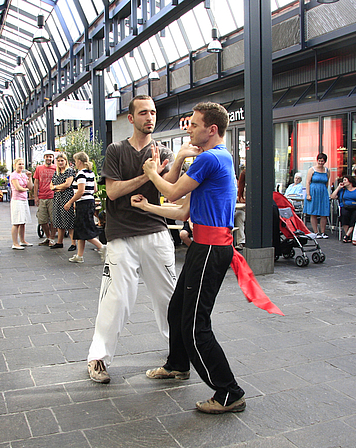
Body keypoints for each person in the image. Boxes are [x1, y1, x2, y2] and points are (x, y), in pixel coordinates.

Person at [139, 102, 249, 414]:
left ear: (212, 130)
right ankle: (177, 364)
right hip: (205, 246)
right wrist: (146, 207)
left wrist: (151, 172)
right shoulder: (216, 158)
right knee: (177, 310)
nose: (189, 129)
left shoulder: (211, 158)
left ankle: (229, 392)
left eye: (195, 124)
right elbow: (183, 210)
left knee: (194, 325)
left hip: (210, 249)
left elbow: (171, 193)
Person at [86, 95, 178, 385]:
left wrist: (170, 168)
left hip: (156, 231)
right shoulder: (116, 150)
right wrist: (147, 175)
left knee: (169, 297)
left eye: (152, 112)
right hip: (121, 235)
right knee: (116, 299)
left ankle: (179, 355)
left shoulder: (165, 152)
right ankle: (98, 357)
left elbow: (173, 190)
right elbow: (112, 192)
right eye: (143, 113)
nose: (149, 117)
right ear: (131, 118)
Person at [63, 152, 106, 263]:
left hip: (83, 204)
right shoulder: (90, 173)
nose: (75, 163)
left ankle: (102, 248)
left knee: (84, 230)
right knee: (80, 229)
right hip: (89, 202)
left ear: (79, 161)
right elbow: (95, 189)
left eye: (76, 161)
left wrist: (70, 201)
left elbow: (81, 191)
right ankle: (79, 255)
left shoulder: (81, 174)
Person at [50, 152, 77, 250]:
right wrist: (57, 188)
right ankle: (59, 242)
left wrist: (56, 187)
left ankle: (73, 243)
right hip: (57, 198)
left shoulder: (69, 171)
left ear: (66, 161)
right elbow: (51, 185)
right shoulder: (56, 172)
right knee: (58, 220)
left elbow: (67, 184)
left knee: (68, 220)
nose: (60, 162)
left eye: (62, 160)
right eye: (58, 161)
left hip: (67, 198)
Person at [330, 175, 356, 242]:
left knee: (355, 216)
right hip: (345, 207)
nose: (343, 182)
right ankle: (348, 235)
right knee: (344, 214)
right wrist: (338, 187)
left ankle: (347, 235)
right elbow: (332, 196)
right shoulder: (342, 190)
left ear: (350, 181)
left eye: (345, 180)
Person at [304, 153, 330, 238]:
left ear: (325, 161)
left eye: (322, 161)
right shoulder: (312, 170)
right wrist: (308, 194)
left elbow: (327, 182)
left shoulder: (327, 170)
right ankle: (316, 231)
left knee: (324, 212)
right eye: (319, 160)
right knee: (313, 212)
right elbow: (308, 182)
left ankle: (322, 232)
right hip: (313, 191)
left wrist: (326, 192)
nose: (320, 162)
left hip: (323, 192)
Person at [9, 158, 33, 250]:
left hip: (24, 199)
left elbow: (30, 186)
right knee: (16, 222)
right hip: (17, 200)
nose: (21, 166)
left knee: (23, 221)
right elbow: (18, 188)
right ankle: (15, 243)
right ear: (15, 165)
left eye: (22, 164)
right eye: (19, 164)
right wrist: (26, 189)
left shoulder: (23, 175)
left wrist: (30, 177)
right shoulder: (14, 175)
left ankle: (22, 240)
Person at [34, 150, 56, 246]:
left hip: (53, 196)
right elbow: (36, 183)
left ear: (52, 158)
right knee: (42, 220)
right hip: (42, 196)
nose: (48, 158)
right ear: (44, 158)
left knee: (53, 219)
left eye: (50, 156)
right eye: (47, 156)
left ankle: (52, 238)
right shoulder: (39, 168)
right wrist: (35, 196)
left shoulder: (56, 168)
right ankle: (47, 237)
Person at [234, 168, 246, 250]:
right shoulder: (240, 188)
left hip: (245, 210)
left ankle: (241, 241)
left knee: (239, 216)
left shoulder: (245, 188)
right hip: (241, 208)